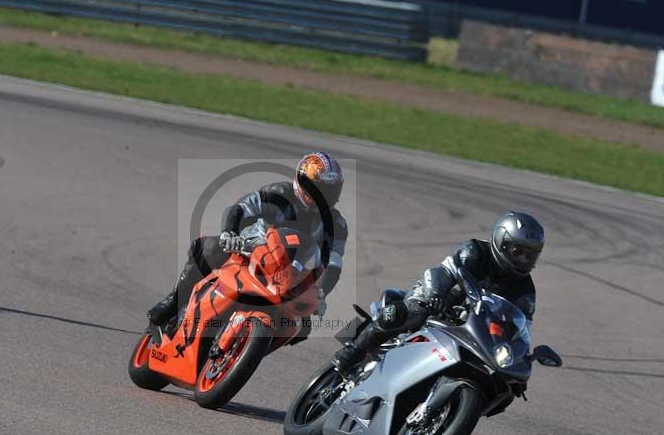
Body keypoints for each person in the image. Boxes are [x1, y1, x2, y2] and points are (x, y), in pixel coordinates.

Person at [147, 152, 348, 327]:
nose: (320, 196)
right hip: (252, 250)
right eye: (316, 188)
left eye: (327, 190)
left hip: (290, 275)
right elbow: (240, 209)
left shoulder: (336, 225)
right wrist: (229, 233)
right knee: (207, 247)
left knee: (302, 325)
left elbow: (333, 264)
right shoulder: (278, 193)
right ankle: (174, 301)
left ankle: (250, 346)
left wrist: (321, 293)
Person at [331, 211, 544, 372]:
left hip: (474, 326)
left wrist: (518, 357)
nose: (523, 260)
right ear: (501, 242)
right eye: (518, 252)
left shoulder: (525, 289)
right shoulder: (476, 251)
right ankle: (353, 351)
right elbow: (443, 272)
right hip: (440, 299)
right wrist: (436, 295)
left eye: (530, 256)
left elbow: (521, 327)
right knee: (415, 309)